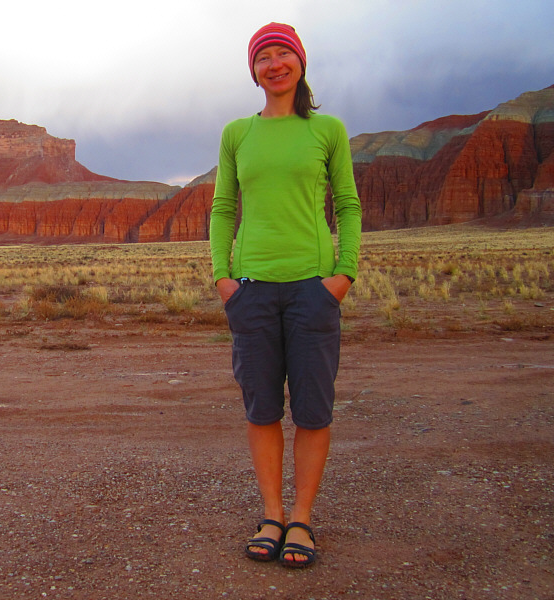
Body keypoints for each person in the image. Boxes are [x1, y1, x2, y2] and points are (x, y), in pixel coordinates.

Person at [209, 22, 361, 568]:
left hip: (312, 291)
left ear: (300, 62)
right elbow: (223, 208)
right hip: (250, 292)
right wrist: (223, 278)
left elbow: (347, 204)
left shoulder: (328, 131)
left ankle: (302, 518)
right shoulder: (236, 133)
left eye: (283, 54)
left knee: (313, 411)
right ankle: (271, 514)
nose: (274, 64)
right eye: (263, 57)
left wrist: (343, 275)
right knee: (263, 409)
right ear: (253, 71)